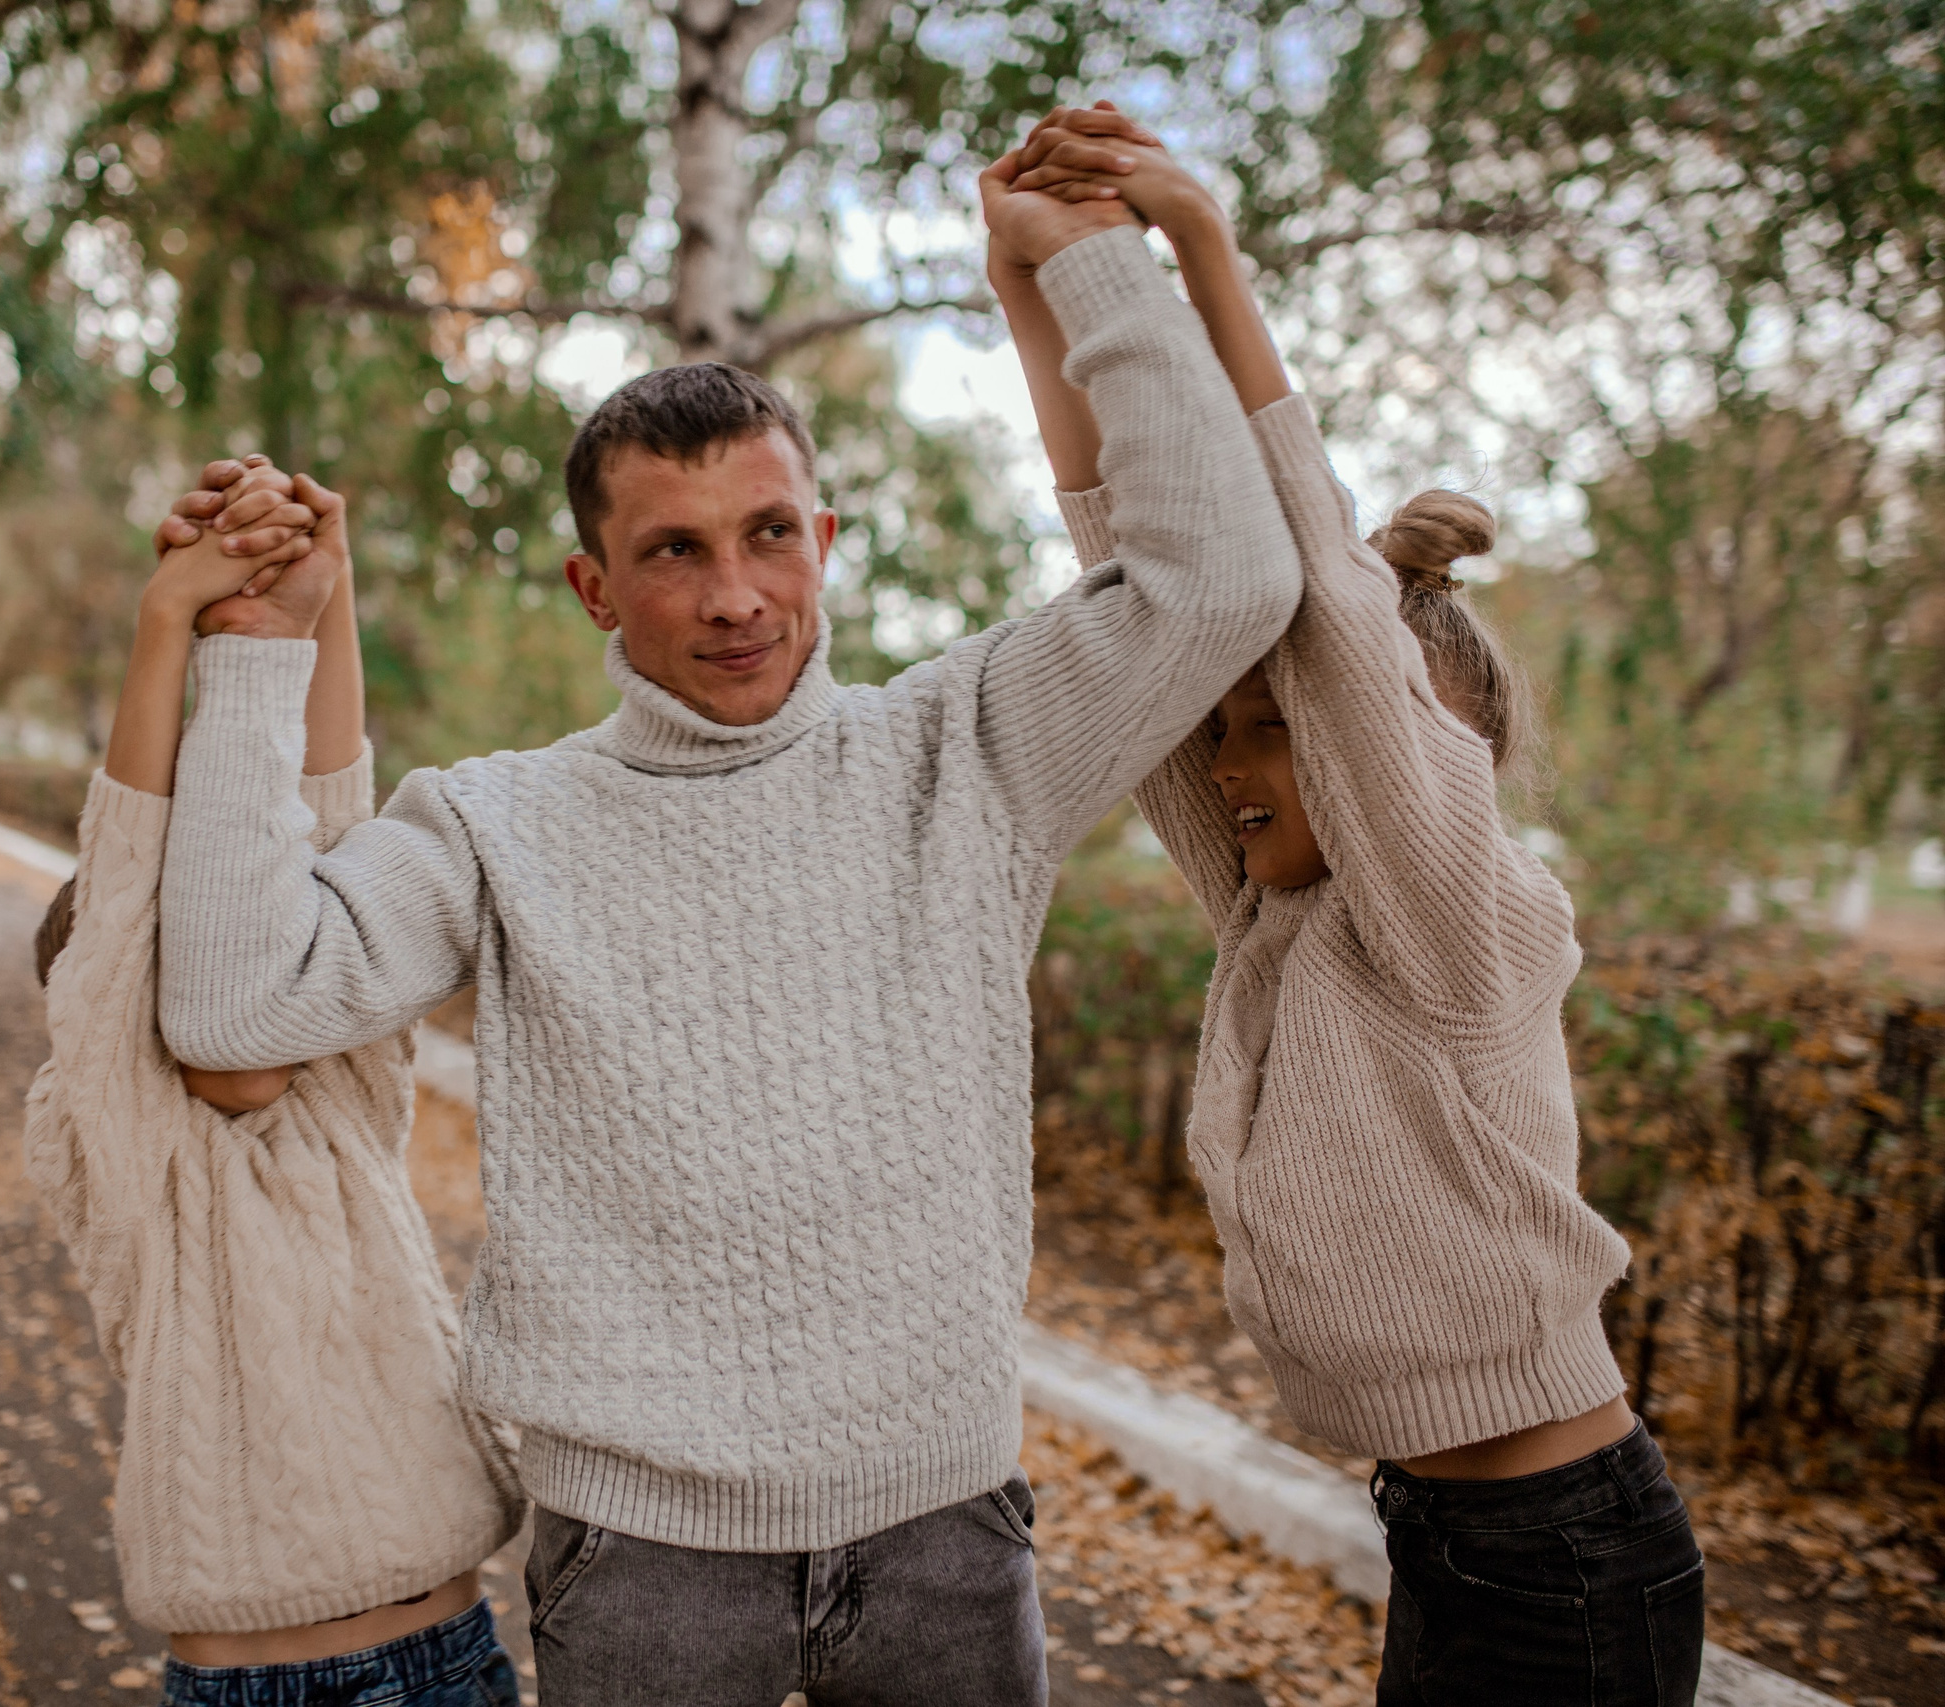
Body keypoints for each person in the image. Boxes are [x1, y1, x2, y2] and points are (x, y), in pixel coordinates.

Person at [139, 155, 1304, 1705]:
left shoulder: (968, 748)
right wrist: (253, 658)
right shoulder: (496, 822)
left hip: (945, 1532)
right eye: (675, 550)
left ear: (824, 536)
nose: (737, 593)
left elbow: (1226, 578)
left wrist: (1085, 260)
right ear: (593, 588)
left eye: (769, 534)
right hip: (642, 1563)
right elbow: (231, 1002)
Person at [1014, 108, 1706, 1707]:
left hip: (1566, 1556)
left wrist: (1199, 255)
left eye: (1285, 731)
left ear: (1420, 761)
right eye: (1235, 731)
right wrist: (1033, 288)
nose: (1236, 766)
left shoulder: (1474, 925)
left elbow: (1327, 611)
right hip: (1449, 1535)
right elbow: (1147, 603)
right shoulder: (1277, 921)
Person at [21, 455, 527, 1707]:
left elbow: (328, 827)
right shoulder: (113, 1137)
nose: (239, 993)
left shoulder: (343, 1094)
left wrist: (323, 594)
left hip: (449, 1662)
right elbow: (132, 885)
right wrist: (169, 623)